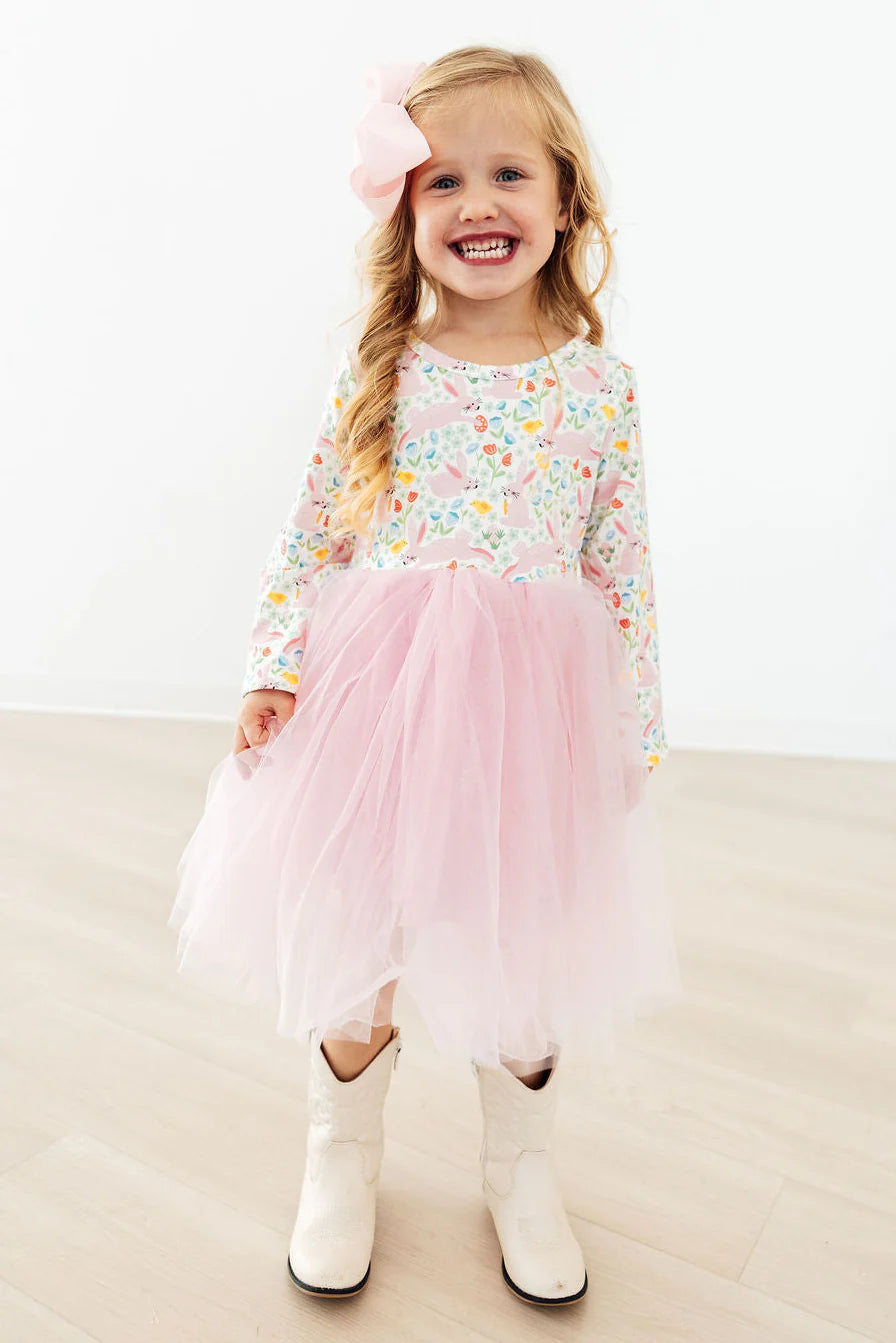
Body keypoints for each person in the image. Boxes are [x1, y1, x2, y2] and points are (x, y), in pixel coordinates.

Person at [167, 46, 684, 1309]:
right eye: (440, 179)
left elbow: (619, 565)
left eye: (508, 173)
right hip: (381, 700)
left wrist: (631, 726)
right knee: (363, 932)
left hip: (533, 715)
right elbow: (311, 532)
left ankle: (521, 1166)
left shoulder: (597, 390)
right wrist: (273, 666)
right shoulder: (385, 369)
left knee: (526, 945)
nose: (475, 203)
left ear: (563, 200)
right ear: (404, 208)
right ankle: (340, 1151)